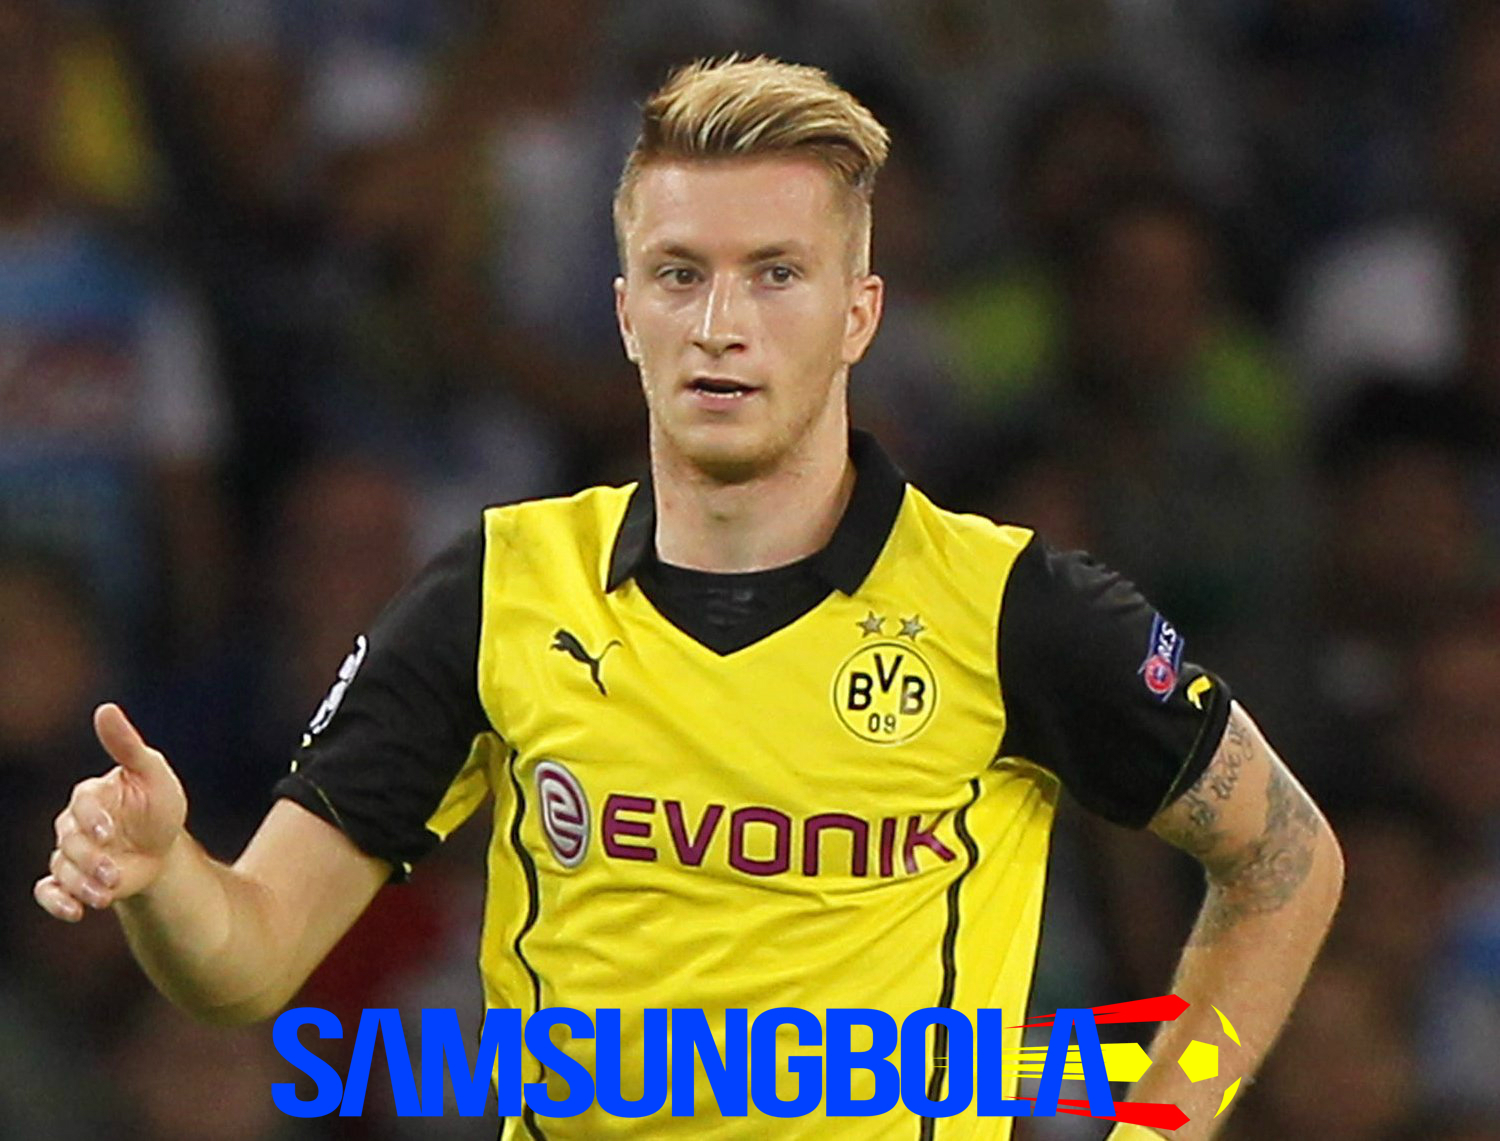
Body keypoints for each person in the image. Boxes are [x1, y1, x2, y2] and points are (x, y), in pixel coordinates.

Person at [34, 56, 1343, 1140]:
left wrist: (1158, 1124)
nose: (722, 322)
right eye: (679, 273)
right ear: (625, 313)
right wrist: (164, 876)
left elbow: (1286, 861)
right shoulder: (495, 592)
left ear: (859, 313)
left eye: (776, 273)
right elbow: (250, 958)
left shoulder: (1012, 608)